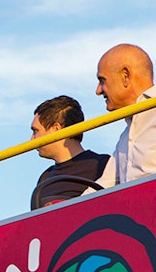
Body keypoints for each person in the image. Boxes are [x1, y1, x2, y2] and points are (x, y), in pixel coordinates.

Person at [92, 43, 156, 188]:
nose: (98, 90)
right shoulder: (125, 137)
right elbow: (103, 187)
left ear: (125, 76)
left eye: (102, 81)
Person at [29, 96, 109, 206]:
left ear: (56, 129)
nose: (31, 139)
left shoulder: (102, 164)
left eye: (35, 131)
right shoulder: (45, 178)